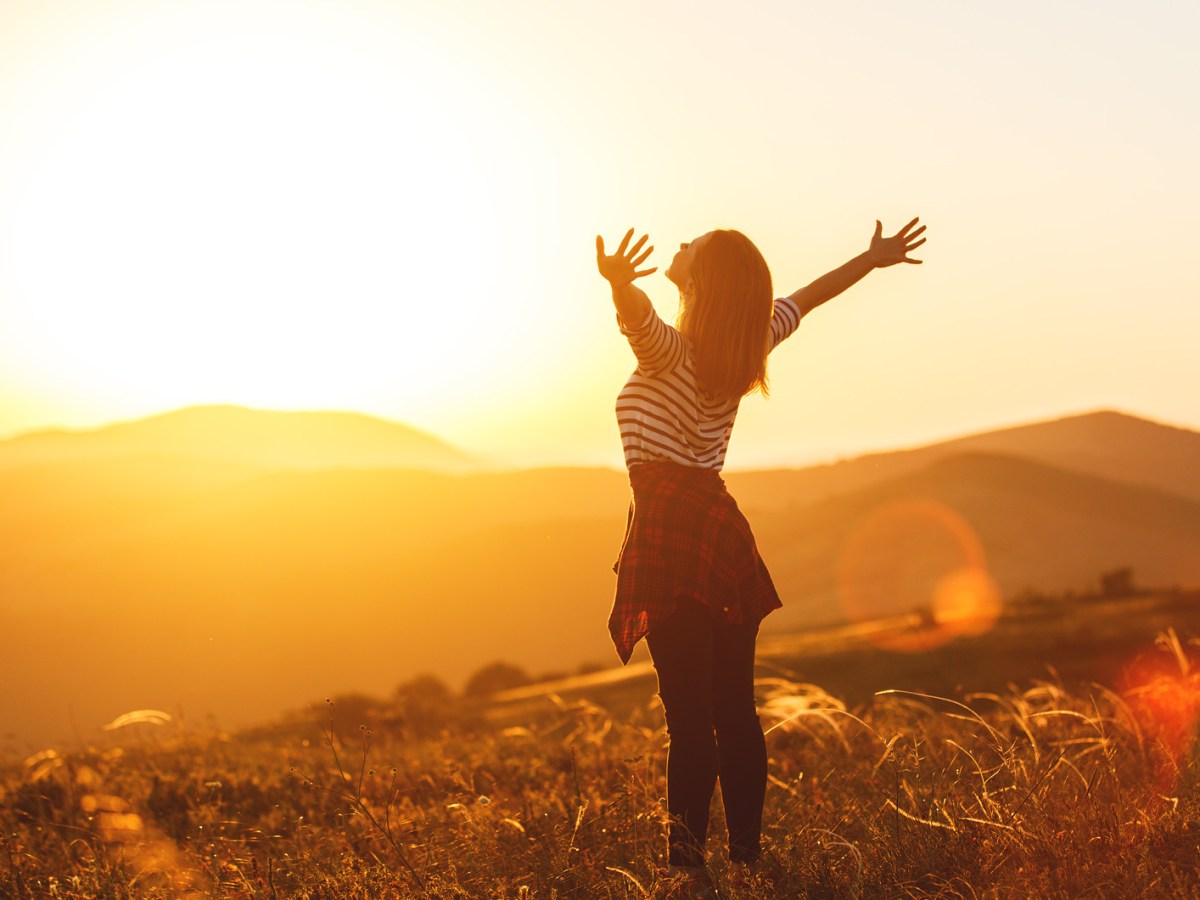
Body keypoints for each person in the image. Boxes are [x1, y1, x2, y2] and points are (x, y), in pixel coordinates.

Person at [595, 219, 926, 894]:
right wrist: (869, 258)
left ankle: (688, 871)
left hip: (669, 532)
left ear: (701, 276)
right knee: (733, 712)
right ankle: (746, 860)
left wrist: (621, 287)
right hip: (720, 534)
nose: (680, 244)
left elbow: (639, 324)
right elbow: (811, 295)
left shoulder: (669, 353)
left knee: (689, 719)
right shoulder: (750, 341)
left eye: (691, 244)